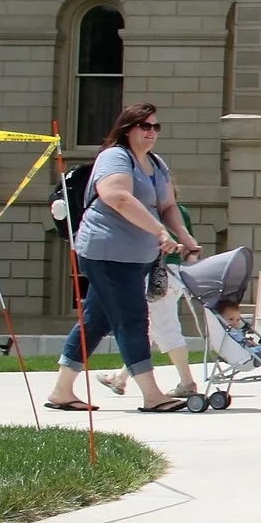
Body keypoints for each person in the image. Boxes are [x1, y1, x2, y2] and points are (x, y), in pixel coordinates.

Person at [46, 102, 201, 413]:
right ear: (127, 129)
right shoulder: (115, 157)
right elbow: (117, 196)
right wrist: (160, 234)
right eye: (145, 126)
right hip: (107, 253)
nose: (152, 132)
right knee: (133, 318)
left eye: (156, 127)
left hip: (136, 256)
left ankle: (61, 391)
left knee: (95, 321)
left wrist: (184, 237)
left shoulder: (156, 164)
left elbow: (168, 205)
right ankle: (152, 395)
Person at [99, 240, 201, 400]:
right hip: (174, 271)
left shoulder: (156, 215)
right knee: (152, 328)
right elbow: (191, 246)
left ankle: (187, 383)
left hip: (158, 270)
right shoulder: (180, 215)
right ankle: (120, 378)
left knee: (166, 328)